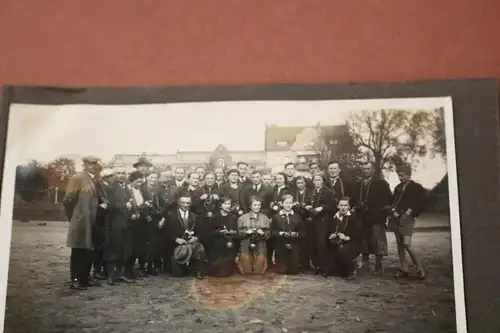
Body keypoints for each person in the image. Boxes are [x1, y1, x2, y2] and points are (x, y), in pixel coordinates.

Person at [63, 156, 109, 290]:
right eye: (91, 164)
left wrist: (104, 205)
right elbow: (68, 200)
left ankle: (85, 277)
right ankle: (76, 279)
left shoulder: (97, 180)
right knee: (78, 251)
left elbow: (102, 198)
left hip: (95, 221)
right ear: (85, 165)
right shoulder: (77, 178)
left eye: (96, 164)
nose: (94, 166)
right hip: (82, 222)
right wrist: (75, 217)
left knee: (90, 251)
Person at [389, 164, 427, 279]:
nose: (401, 178)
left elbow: (421, 203)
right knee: (400, 245)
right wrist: (393, 211)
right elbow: (394, 202)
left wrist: (410, 212)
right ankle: (404, 269)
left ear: (409, 175)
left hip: (407, 219)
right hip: (397, 219)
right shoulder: (397, 188)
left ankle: (420, 269)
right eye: (399, 176)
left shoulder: (417, 187)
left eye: (403, 176)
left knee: (406, 243)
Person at [356, 162, 393, 275]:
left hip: (377, 217)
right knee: (364, 241)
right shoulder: (360, 184)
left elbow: (389, 200)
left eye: (368, 168)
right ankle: (365, 264)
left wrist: (382, 212)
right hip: (364, 217)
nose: (366, 170)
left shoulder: (381, 183)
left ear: (373, 170)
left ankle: (379, 265)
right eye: (364, 169)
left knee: (378, 241)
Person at [104, 166, 135, 285]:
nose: (122, 175)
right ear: (114, 175)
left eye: (124, 173)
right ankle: (111, 276)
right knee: (114, 250)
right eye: (119, 173)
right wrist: (124, 206)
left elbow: (131, 203)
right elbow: (109, 205)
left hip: (127, 223)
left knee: (125, 250)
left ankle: (120, 274)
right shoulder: (110, 188)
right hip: (115, 223)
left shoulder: (127, 187)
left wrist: (133, 212)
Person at [164, 194, 206, 279]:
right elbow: (166, 231)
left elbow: (202, 230)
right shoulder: (171, 215)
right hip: (177, 244)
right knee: (178, 274)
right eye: (183, 203)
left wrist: (196, 237)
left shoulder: (195, 216)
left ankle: (198, 270)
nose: (185, 205)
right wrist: (175, 239)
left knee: (200, 248)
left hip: (191, 243)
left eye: (188, 203)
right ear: (179, 203)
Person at [326, 196, 362, 279]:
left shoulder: (354, 218)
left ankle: (352, 268)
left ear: (349, 207)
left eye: (345, 205)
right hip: (336, 243)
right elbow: (328, 230)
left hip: (351, 243)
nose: (343, 208)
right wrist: (331, 235)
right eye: (341, 205)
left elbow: (359, 234)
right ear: (337, 206)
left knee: (343, 251)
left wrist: (347, 237)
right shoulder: (333, 217)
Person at [202, 196, 240, 277]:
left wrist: (233, 232)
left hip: (229, 245)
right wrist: (219, 232)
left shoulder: (233, 217)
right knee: (216, 272)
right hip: (217, 246)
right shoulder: (214, 218)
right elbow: (208, 233)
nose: (228, 206)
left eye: (229, 204)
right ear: (220, 205)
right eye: (225, 204)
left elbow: (237, 231)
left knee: (226, 273)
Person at [308, 174, 336, 276]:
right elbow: (309, 203)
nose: (317, 182)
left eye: (319, 180)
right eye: (315, 180)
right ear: (313, 182)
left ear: (323, 181)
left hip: (324, 221)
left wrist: (322, 208)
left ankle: (325, 267)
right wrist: (308, 206)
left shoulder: (329, 192)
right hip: (312, 221)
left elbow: (333, 207)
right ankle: (317, 265)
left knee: (321, 244)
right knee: (313, 243)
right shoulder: (311, 192)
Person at [237, 196, 271, 275]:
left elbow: (268, 234)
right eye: (255, 205)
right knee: (246, 270)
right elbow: (238, 233)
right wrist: (246, 232)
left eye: (259, 205)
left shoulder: (265, 218)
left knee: (259, 270)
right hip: (246, 242)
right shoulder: (242, 218)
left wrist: (263, 233)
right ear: (250, 206)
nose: (257, 207)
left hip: (260, 242)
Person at [91, 168, 115, 281]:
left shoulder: (110, 187)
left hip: (109, 219)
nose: (112, 178)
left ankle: (103, 269)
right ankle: (97, 270)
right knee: (99, 246)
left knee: (107, 245)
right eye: (111, 176)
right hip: (100, 219)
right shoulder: (98, 187)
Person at [271, 194, 304, 275]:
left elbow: (303, 233)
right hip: (281, 244)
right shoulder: (276, 217)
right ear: (282, 204)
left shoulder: (297, 217)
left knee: (293, 271)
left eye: (290, 203)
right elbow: (272, 232)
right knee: (281, 271)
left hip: (294, 243)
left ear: (293, 204)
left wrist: (296, 234)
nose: (288, 205)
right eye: (286, 203)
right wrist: (280, 233)